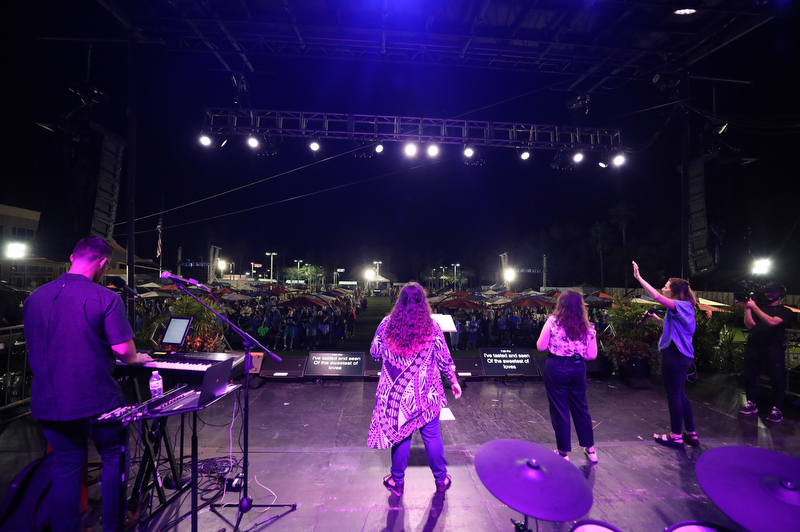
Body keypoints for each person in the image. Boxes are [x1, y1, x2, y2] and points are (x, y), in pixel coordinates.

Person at [23, 237, 153, 532]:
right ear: (103, 263)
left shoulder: (34, 298)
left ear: (72, 257)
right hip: (97, 400)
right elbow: (124, 351)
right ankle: (114, 525)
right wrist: (137, 358)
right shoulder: (105, 298)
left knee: (66, 466)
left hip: (48, 401)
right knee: (113, 459)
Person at [368, 282, 462, 496]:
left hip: (397, 397)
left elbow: (375, 352)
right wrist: (453, 381)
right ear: (423, 302)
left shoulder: (386, 324)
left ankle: (397, 480)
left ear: (399, 301)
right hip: (427, 394)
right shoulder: (432, 326)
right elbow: (444, 358)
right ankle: (441, 479)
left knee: (401, 437)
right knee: (432, 436)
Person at [632, 261, 698, 447]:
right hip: (682, 356)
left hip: (675, 356)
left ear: (674, 292)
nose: (663, 288)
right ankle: (691, 434)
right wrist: (657, 320)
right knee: (680, 394)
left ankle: (675, 436)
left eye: (666, 286)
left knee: (673, 396)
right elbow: (677, 328)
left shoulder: (680, 305)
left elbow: (656, 297)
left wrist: (639, 277)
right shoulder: (684, 307)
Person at [536, 290, 598, 463]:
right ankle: (591, 450)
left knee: (560, 409)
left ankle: (563, 452)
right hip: (578, 368)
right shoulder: (588, 326)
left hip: (556, 367)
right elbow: (592, 355)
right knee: (581, 407)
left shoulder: (552, 321)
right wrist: (576, 351)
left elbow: (540, 346)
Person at [739, 282, 793, 422]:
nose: (769, 294)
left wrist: (755, 308)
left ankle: (777, 409)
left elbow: (772, 322)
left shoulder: (785, 311)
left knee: (776, 378)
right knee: (750, 376)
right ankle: (751, 403)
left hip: (773, 347)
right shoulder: (760, 308)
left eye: (772, 291)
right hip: (754, 346)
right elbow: (750, 325)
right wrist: (748, 309)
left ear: (780, 294)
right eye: (767, 291)